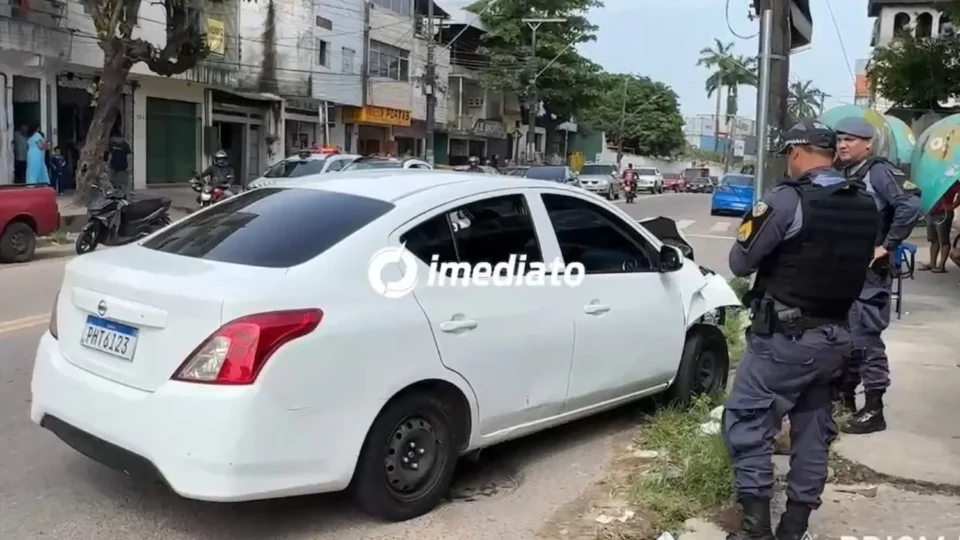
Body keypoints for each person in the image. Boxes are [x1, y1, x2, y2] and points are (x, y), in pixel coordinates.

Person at [723, 121, 879, 540]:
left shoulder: (787, 200)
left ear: (795, 153)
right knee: (813, 433)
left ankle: (756, 530)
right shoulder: (865, 203)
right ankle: (794, 529)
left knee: (747, 423)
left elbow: (741, 264)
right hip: (836, 339)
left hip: (783, 343)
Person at [834, 116, 921, 433]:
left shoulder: (878, 172)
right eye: (840, 139)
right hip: (846, 273)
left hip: (870, 275)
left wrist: (888, 245)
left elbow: (911, 204)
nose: (843, 144)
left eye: (851, 139)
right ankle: (845, 400)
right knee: (847, 339)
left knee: (866, 340)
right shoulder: (845, 173)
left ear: (868, 144)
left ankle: (874, 409)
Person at [920, 182, 960, 273]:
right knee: (933, 240)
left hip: (943, 214)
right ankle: (932, 263)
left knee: (944, 240)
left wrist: (953, 206)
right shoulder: (934, 180)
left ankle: (941, 265)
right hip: (932, 212)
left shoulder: (951, 181)